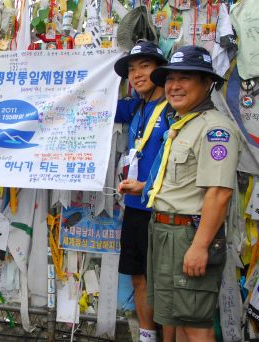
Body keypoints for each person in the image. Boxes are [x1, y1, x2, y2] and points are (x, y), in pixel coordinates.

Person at [145, 45, 242, 342]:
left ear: (207, 83)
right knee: (178, 319)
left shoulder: (216, 129)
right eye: (170, 78)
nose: (174, 86)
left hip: (189, 235)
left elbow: (218, 194)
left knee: (196, 326)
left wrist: (199, 247)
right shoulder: (183, 125)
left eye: (185, 78)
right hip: (166, 232)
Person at [114, 40, 169, 342]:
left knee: (164, 282)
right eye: (132, 70)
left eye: (144, 67)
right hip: (135, 208)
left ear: (161, 71)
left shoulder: (174, 109)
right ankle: (148, 337)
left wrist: (148, 186)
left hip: (164, 211)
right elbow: (101, 105)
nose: (136, 75)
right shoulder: (137, 106)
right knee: (138, 277)